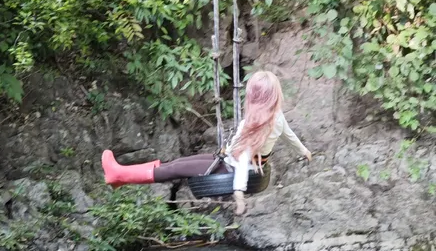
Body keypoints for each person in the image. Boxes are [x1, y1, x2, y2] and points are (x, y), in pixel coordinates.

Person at [101, 70, 311, 216]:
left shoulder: (253, 124)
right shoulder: (277, 117)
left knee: (175, 168)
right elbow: (288, 135)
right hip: (229, 161)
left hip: (228, 170)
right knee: (179, 163)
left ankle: (118, 174)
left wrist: (238, 195)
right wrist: (304, 151)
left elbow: (245, 155)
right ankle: (120, 178)